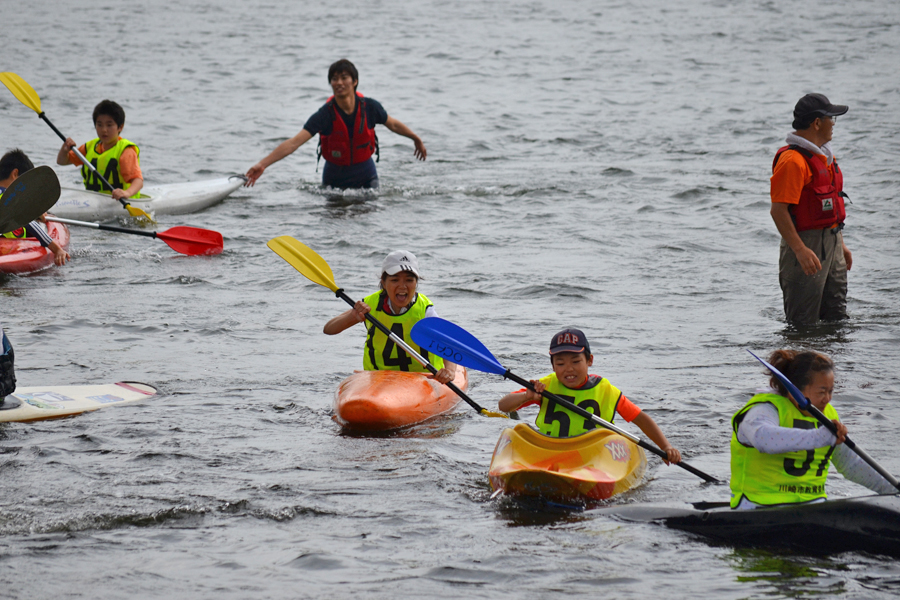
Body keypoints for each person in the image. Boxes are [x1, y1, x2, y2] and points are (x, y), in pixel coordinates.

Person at [730, 349, 895, 509]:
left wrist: (893, 491)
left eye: (830, 391)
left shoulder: (829, 415)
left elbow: (851, 465)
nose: (827, 399)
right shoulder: (764, 409)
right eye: (822, 392)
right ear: (795, 391)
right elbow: (763, 439)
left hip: (812, 506)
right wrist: (820, 437)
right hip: (759, 506)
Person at [497, 328, 682, 464]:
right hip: (550, 451)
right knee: (518, 431)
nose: (568, 369)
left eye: (576, 361)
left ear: (589, 360)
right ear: (553, 366)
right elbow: (503, 406)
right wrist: (527, 397)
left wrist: (665, 447)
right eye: (560, 363)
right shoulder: (544, 386)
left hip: (594, 456)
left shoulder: (606, 390)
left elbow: (640, 419)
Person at [245, 59, 426, 190]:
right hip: (334, 176)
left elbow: (392, 124)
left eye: (344, 78)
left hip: (365, 174)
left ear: (354, 81)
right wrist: (263, 164)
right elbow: (294, 142)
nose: (338, 82)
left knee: (369, 221)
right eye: (334, 79)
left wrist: (415, 138)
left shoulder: (370, 107)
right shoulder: (325, 114)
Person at [771, 93, 851, 325]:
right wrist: (800, 250)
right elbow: (778, 211)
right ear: (817, 123)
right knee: (803, 325)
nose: (833, 125)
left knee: (837, 319)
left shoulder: (825, 157)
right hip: (805, 247)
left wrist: (841, 245)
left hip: (832, 244)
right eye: (831, 119)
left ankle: (835, 362)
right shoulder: (792, 161)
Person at [323, 250, 456, 384]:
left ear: (416, 283)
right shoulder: (370, 305)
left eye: (409, 280)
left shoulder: (425, 310)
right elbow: (329, 329)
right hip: (378, 378)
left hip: (422, 379)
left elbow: (448, 343)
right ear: (384, 283)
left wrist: (449, 371)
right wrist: (353, 316)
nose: (402, 286)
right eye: (395, 280)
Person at [56, 99, 144, 200]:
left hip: (120, 201)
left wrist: (126, 193)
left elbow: (138, 181)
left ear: (120, 127)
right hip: (93, 200)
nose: (104, 130)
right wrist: (65, 149)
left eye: (109, 125)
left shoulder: (125, 151)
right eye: (99, 125)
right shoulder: (89, 147)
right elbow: (62, 161)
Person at [0, 149, 69, 266]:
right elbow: (28, 223)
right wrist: (57, 249)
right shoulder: (11, 200)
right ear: (15, 174)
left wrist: (33, 212)